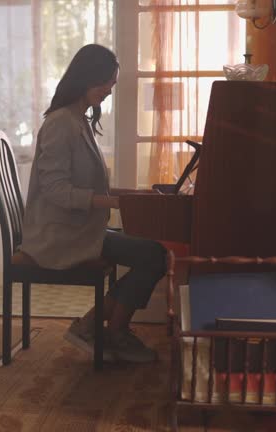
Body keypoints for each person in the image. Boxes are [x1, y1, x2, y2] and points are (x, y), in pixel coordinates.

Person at [20, 44, 167, 363]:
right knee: (153, 255)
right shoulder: (61, 123)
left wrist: (132, 194)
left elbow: (88, 185)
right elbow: (56, 191)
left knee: (152, 252)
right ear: (87, 78)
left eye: (111, 86)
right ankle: (110, 333)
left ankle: (93, 326)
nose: (108, 92)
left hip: (78, 229)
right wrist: (114, 202)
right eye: (106, 84)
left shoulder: (79, 120)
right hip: (58, 236)